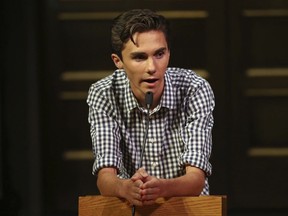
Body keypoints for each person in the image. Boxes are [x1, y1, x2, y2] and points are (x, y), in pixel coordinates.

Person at [87, 9, 215, 207]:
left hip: (189, 208)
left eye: (159, 54)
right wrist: (125, 188)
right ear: (118, 61)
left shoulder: (194, 88)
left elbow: (196, 180)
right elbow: (105, 179)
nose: (152, 67)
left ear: (169, 52)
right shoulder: (104, 93)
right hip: (130, 209)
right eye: (140, 57)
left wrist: (159, 188)